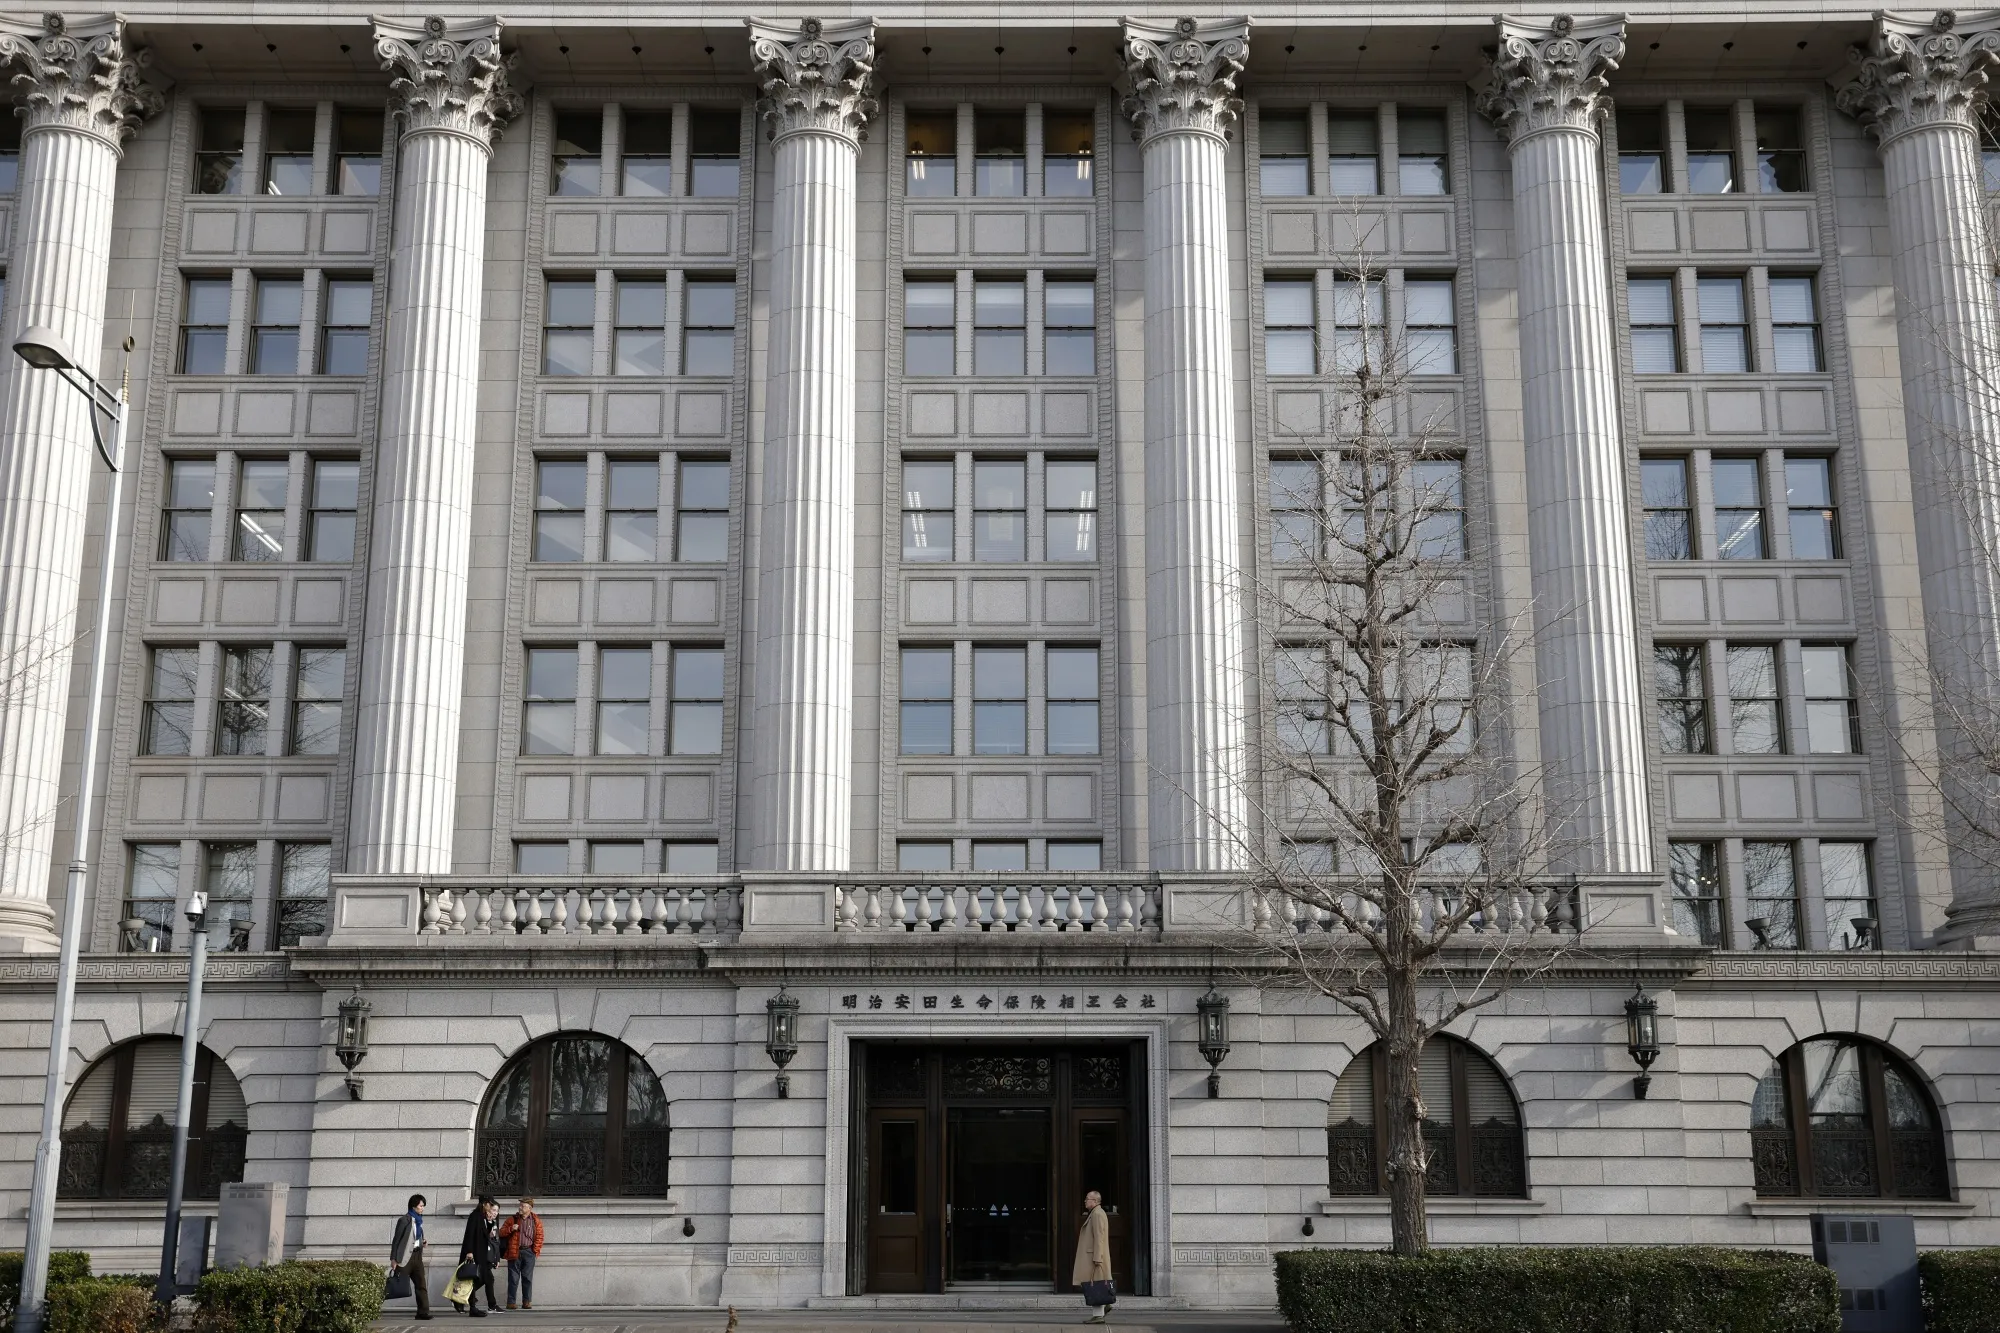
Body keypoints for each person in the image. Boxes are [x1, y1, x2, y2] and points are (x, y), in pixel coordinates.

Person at [390, 1194, 433, 1321]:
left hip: (417, 1257)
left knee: (421, 1285)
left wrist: (423, 1241)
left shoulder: (419, 1220)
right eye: (421, 1206)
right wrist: (393, 1259)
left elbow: (416, 1237)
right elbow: (396, 1240)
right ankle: (373, 1306)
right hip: (404, 1258)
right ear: (413, 1207)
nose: (422, 1208)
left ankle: (423, 1312)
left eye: (423, 1206)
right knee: (395, 1284)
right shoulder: (404, 1220)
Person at [459, 1195, 502, 1317]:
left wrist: (489, 1222)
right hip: (474, 1253)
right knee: (474, 1279)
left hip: (482, 1254)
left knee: (483, 1278)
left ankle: (462, 1299)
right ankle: (471, 1307)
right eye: (489, 1204)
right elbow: (469, 1234)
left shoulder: (483, 1217)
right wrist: (469, 1251)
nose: (490, 1207)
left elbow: (487, 1236)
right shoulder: (475, 1216)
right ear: (484, 1204)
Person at [1073, 1189, 1113, 1324]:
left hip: (1094, 1257)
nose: (1085, 1201)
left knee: (1096, 1286)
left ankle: (1098, 1315)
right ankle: (1104, 1307)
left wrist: (1097, 1257)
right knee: (1097, 1285)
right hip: (1094, 1256)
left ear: (1095, 1201)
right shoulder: (1095, 1213)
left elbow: (1099, 1237)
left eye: (1087, 1198)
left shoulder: (1097, 1214)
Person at [498, 1197, 543, 1310]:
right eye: (520, 1205)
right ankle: (511, 1302)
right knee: (513, 1278)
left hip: (529, 1251)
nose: (520, 1207)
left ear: (529, 1208)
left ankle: (526, 1301)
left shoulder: (535, 1220)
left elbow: (540, 1237)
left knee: (527, 1278)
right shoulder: (511, 1219)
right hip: (514, 1251)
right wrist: (510, 1229)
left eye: (523, 1206)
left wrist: (535, 1251)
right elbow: (501, 1232)